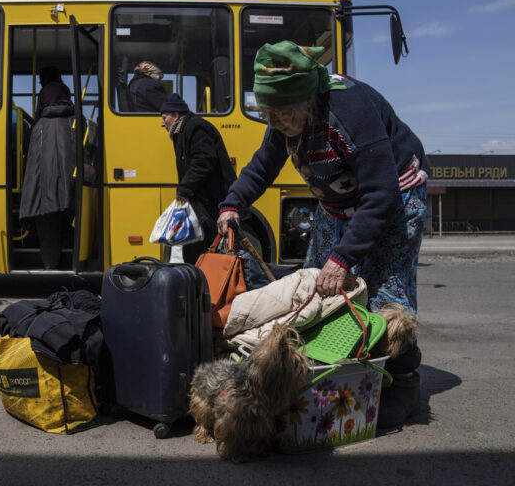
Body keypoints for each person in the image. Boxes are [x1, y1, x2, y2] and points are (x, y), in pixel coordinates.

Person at [216, 40, 429, 428]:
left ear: (306, 100)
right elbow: (264, 164)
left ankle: (403, 386)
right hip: (337, 204)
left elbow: (382, 194)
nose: (274, 122)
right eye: (267, 113)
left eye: (279, 113)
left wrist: (344, 257)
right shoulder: (286, 117)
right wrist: (233, 204)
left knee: (386, 297)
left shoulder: (350, 110)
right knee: (317, 291)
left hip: (395, 197)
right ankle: (334, 376)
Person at [160, 93, 237, 264]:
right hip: (202, 201)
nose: (162, 123)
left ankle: (202, 284)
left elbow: (204, 161)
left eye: (164, 118)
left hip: (211, 202)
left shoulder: (195, 128)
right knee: (196, 248)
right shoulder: (182, 131)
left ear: (175, 115)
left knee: (205, 249)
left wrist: (184, 189)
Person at [19, 76, 76, 270]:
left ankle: (50, 266)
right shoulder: (76, 121)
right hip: (72, 190)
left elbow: (30, 157)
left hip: (42, 192)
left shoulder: (38, 127)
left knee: (47, 227)